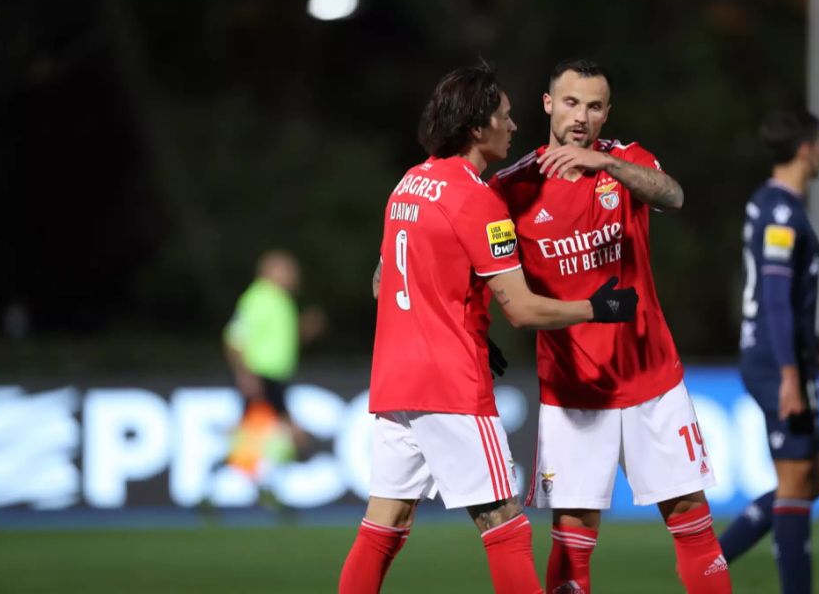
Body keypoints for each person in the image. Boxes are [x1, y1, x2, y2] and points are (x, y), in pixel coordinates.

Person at [338, 62, 638, 594]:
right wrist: (599, 308)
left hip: (393, 381)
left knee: (384, 525)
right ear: (477, 127)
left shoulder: (408, 183)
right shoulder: (478, 199)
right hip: (449, 384)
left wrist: (456, 318)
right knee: (507, 527)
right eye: (503, 115)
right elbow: (522, 309)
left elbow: (384, 281)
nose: (513, 125)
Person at [489, 59, 731, 593]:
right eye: (571, 103)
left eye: (594, 106)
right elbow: (469, 256)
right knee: (573, 532)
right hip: (574, 389)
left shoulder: (625, 162)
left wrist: (606, 165)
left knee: (691, 515)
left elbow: (673, 195)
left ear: (606, 114)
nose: (582, 116)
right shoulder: (513, 187)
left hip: (652, 381)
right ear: (549, 105)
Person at [719, 110, 819, 594]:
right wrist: (790, 372)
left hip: (789, 353)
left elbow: (789, 298)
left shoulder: (776, 205)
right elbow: (773, 295)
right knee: (795, 482)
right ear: (808, 147)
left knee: (812, 479)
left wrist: (817, 350)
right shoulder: (781, 211)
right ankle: (715, 566)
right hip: (775, 358)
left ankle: (710, 560)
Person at [224, 250, 325, 466]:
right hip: (260, 375)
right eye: (287, 270)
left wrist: (304, 330)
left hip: (276, 376)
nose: (293, 275)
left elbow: (282, 339)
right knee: (275, 430)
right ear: (268, 271)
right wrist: (245, 373)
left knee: (258, 431)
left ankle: (240, 473)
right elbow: (234, 338)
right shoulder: (257, 298)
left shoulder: (282, 301)